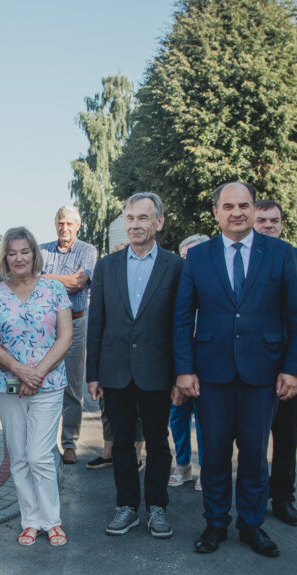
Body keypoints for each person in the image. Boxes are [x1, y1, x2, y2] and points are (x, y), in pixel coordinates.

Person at [174, 182, 297, 557]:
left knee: (253, 455)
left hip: (262, 374)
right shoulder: (198, 257)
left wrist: (292, 369)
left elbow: (296, 317)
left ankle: (251, 525)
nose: (237, 212)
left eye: (244, 205)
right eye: (228, 206)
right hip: (211, 374)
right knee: (214, 454)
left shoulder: (282, 254)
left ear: (253, 210)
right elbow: (183, 317)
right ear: (216, 212)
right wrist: (184, 369)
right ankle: (215, 523)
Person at [86, 193, 184, 539]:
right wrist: (93, 373)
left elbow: (179, 324)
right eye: (130, 218)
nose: (135, 225)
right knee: (122, 442)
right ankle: (126, 506)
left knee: (158, 441)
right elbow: (96, 322)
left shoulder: (175, 266)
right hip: (114, 372)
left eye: (143, 218)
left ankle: (157, 507)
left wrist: (180, 375)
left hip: (158, 372)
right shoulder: (107, 266)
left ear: (158, 221)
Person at [0, 227, 73, 547]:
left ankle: (52, 520)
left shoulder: (54, 290)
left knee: (39, 455)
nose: (19, 258)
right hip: (8, 381)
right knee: (19, 455)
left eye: (24, 251)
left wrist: (36, 372)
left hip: (47, 382)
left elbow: (65, 337)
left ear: (34, 254)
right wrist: (20, 370)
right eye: (12, 252)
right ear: (5, 258)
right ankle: (30, 520)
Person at [254, 200, 297, 526]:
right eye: (262, 220)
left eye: (274, 220)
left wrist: (273, 329)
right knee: (253, 435)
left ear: (281, 224)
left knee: (287, 435)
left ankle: (283, 498)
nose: (268, 225)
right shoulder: (248, 256)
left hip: (290, 360)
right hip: (254, 362)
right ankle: (254, 495)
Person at [39, 205, 98, 465]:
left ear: (78, 226)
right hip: (45, 327)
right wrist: (62, 278)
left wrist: (45, 277)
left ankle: (70, 443)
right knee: (43, 382)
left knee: (72, 387)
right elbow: (32, 279)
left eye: (69, 224)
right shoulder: (42, 250)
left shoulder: (87, 251)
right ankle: (44, 441)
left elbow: (79, 283)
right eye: (60, 223)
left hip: (75, 324)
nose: (64, 228)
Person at [167, 235, 209, 490]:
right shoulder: (177, 289)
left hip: (208, 367)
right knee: (177, 415)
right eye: (184, 257)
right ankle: (182, 466)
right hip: (180, 367)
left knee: (206, 422)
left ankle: (207, 468)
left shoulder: (215, 288)